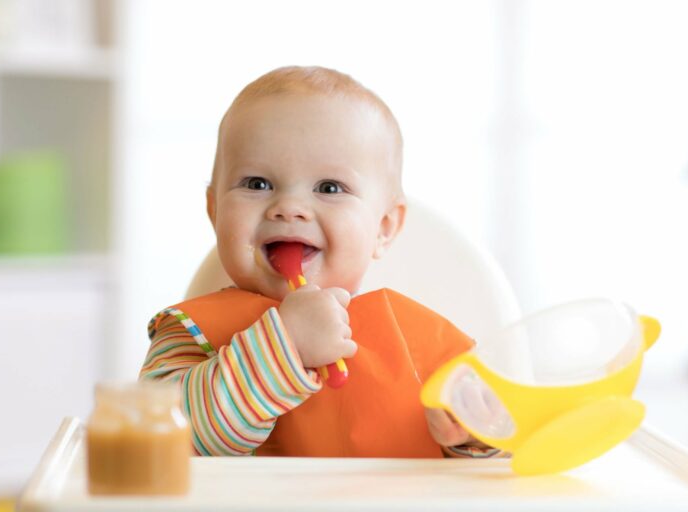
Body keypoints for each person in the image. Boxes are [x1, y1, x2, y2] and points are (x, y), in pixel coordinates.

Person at [140, 66, 501, 458]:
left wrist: (472, 434)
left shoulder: (418, 345)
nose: (289, 208)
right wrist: (284, 348)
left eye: (329, 188)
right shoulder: (190, 334)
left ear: (383, 227)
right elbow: (156, 443)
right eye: (257, 184)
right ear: (214, 211)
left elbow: (489, 474)